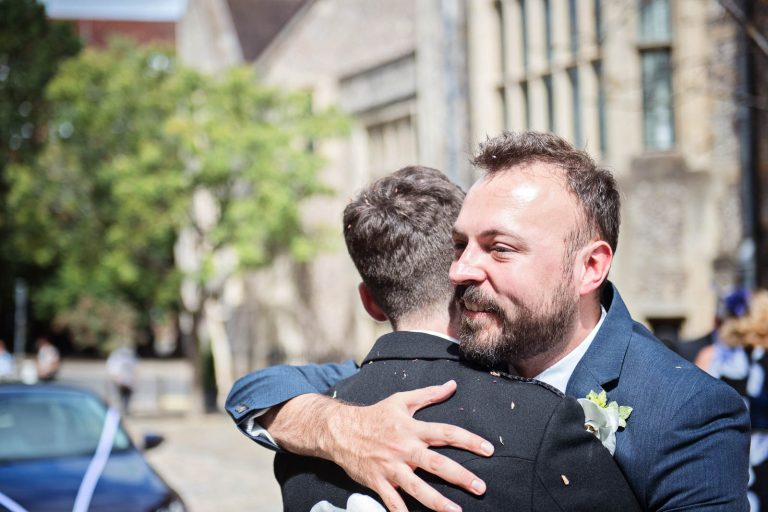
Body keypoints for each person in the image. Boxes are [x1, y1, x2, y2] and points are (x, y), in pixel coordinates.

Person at [227, 132, 751, 512]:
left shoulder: (687, 410)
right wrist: (341, 427)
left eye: (498, 248)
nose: (460, 270)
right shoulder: (463, 350)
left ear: (589, 266)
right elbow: (262, 389)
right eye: (460, 245)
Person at [258, 166, 640, 511]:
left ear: (370, 302)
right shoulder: (541, 422)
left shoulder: (298, 445)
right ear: (464, 277)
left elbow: (261, 389)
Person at [106, 344, 138, 414]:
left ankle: (125, 409)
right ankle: (122, 409)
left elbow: (135, 368)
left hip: (128, 380)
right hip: (120, 379)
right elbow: (113, 369)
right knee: (121, 395)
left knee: (127, 395)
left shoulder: (130, 356)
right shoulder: (117, 357)